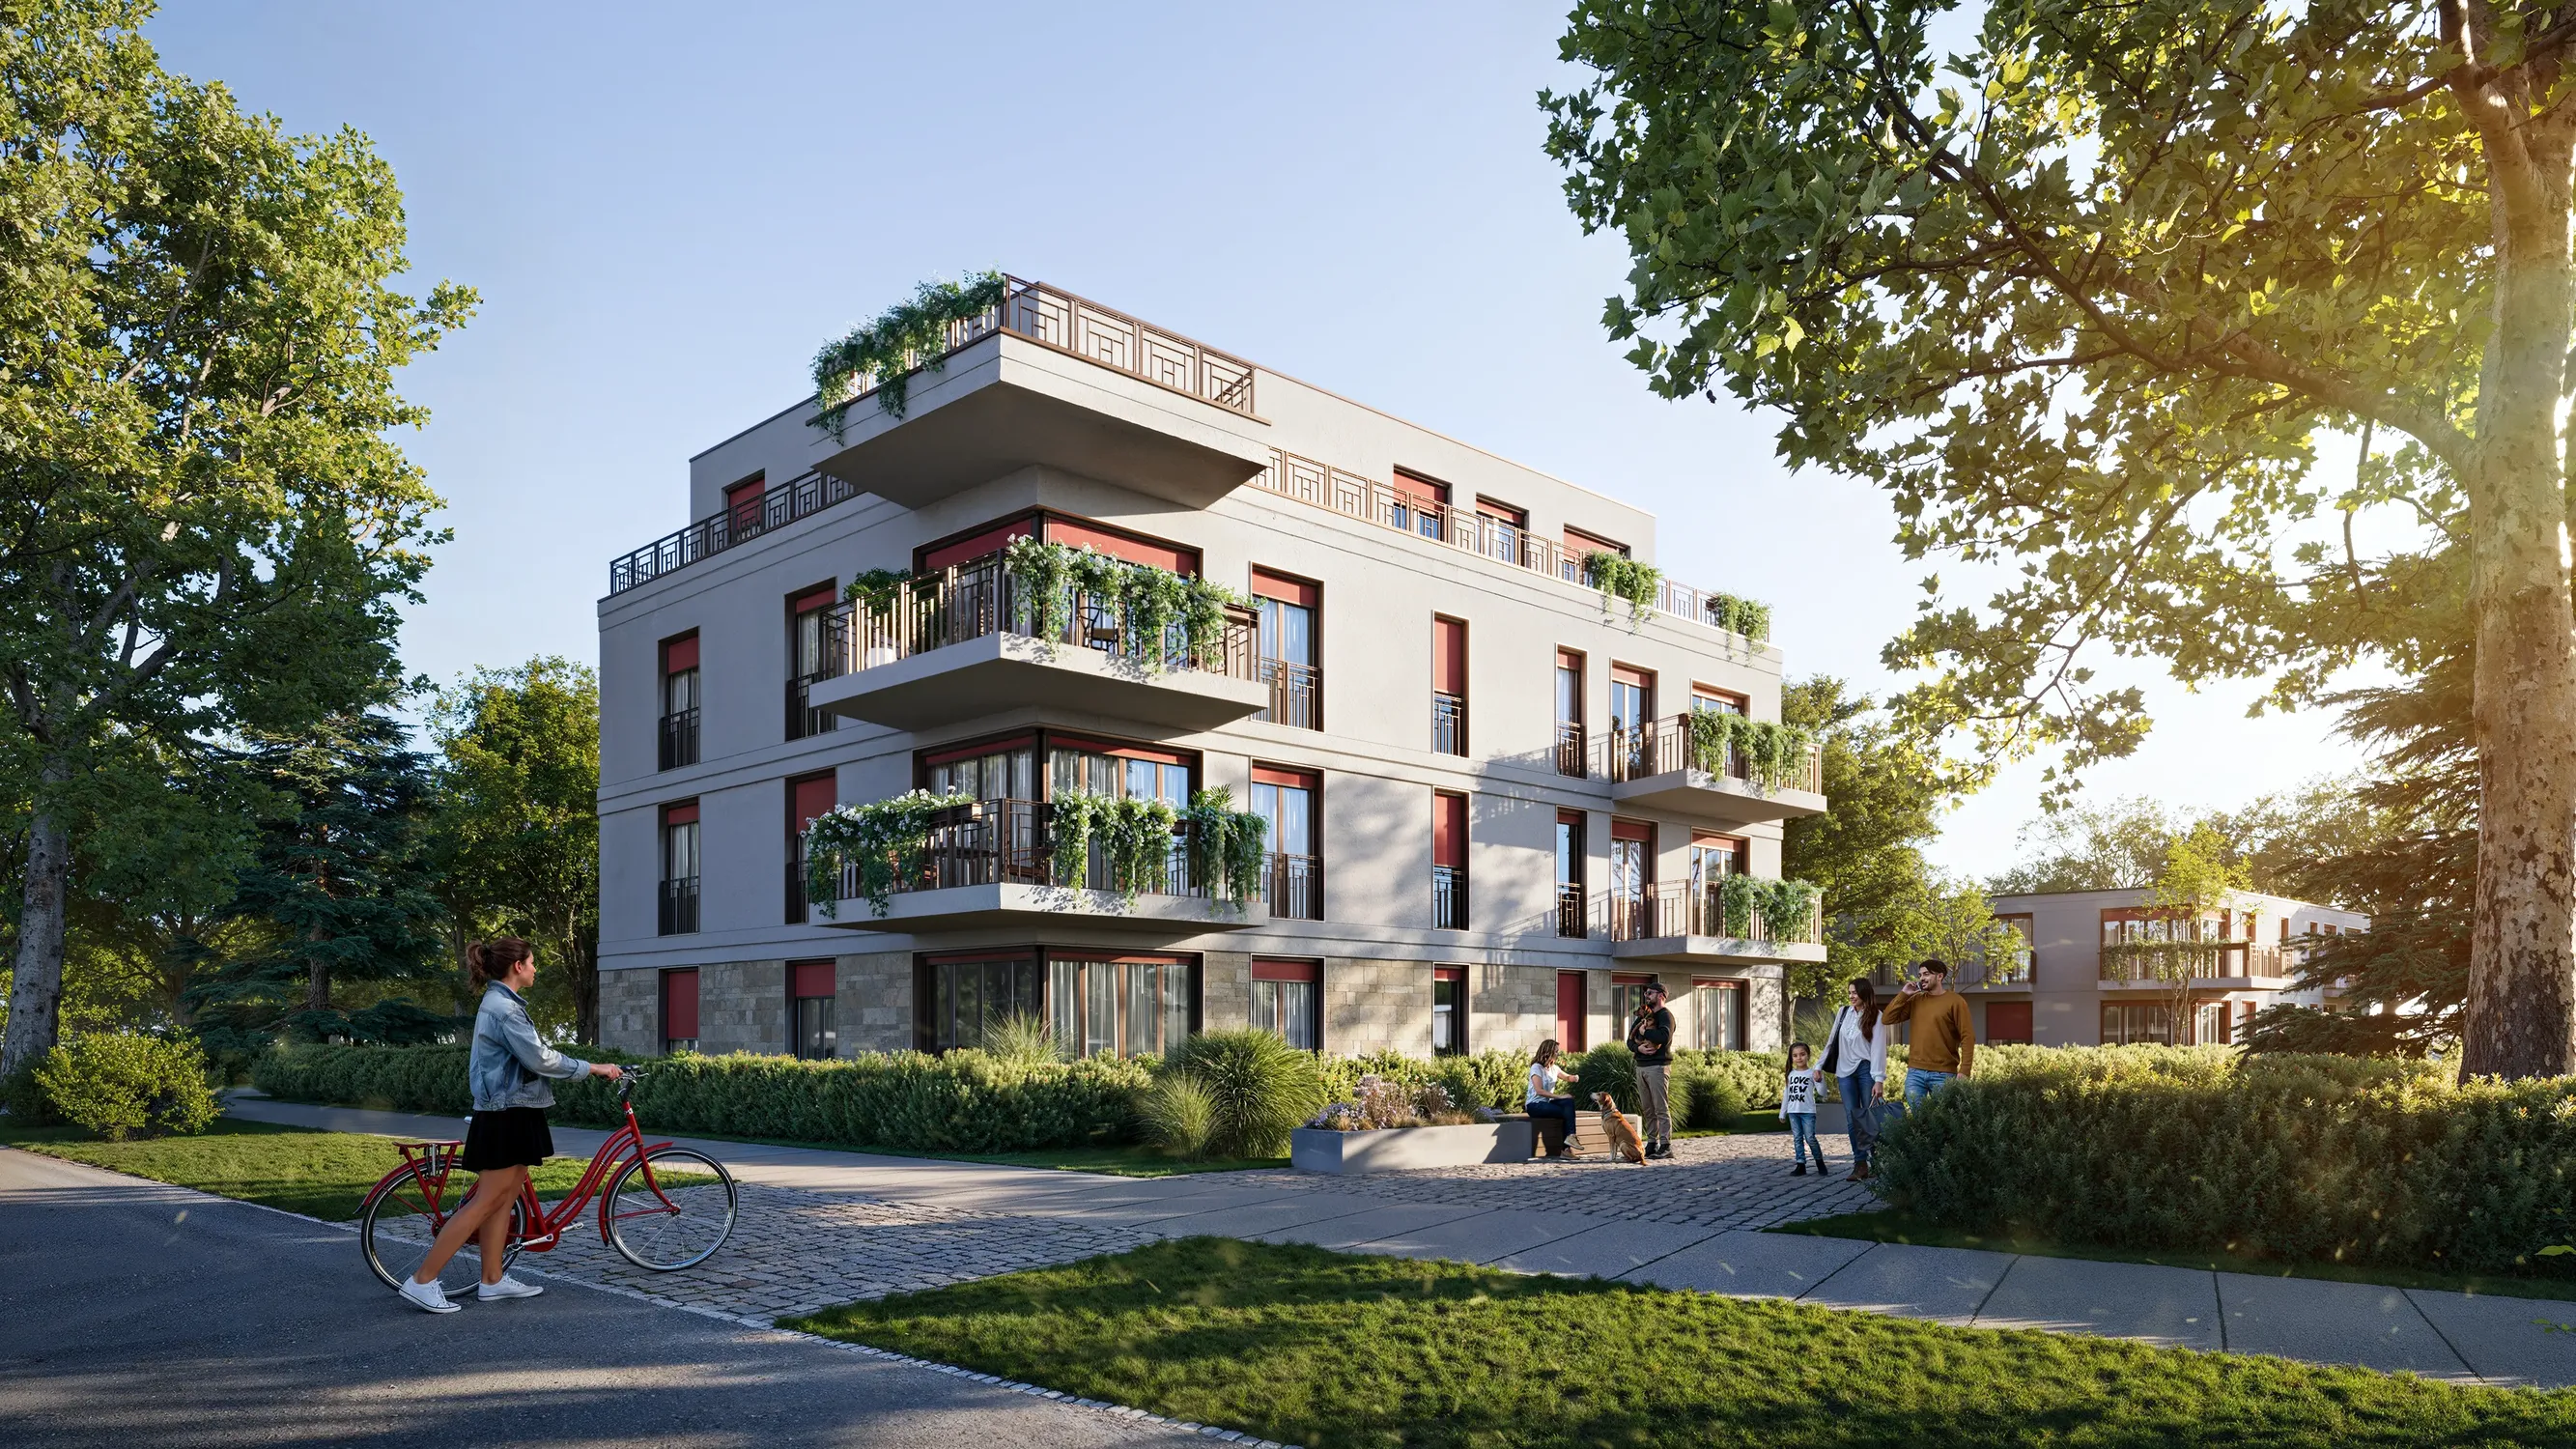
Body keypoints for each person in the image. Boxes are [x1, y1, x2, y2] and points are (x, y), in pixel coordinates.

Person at [399, 937, 623, 1314]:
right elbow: (539, 1058)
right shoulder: (504, 1008)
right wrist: (593, 1067)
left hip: (515, 1109)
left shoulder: (503, 1004)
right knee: (486, 1201)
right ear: (517, 966)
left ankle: (492, 1280)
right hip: (505, 1113)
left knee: (504, 1198)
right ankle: (421, 1280)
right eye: (533, 962)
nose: (536, 968)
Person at [1817, 977, 1890, 1180]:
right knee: (1851, 1119)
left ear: (1864, 993)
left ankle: (1877, 1161)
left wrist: (1879, 1079)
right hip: (1844, 1071)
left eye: (1855, 993)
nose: (1851, 996)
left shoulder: (1876, 1016)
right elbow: (1831, 1042)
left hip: (1866, 1069)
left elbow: (1878, 1050)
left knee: (1869, 1117)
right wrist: (1818, 1065)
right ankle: (1860, 1165)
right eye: (1849, 992)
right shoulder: (1843, 1013)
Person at [1880, 957, 1974, 1110]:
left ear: (1939, 976)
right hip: (1915, 1073)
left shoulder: (1956, 1001)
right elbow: (1887, 1018)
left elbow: (1968, 1037)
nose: (1922, 978)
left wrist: (1965, 1071)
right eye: (1920, 975)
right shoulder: (1916, 999)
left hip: (1943, 1074)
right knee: (1920, 1121)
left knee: (1942, 1121)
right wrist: (1904, 994)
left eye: (1926, 974)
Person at [1625, 978, 1677, 1159]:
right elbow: (1629, 1040)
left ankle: (1666, 1145)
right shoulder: (1643, 1016)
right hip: (1641, 1066)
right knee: (1647, 1108)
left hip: (1658, 1067)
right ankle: (1652, 1143)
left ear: (1661, 996)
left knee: (1660, 1107)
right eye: (1646, 993)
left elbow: (1664, 1036)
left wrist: (1644, 1032)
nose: (1646, 996)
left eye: (1650, 993)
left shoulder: (1665, 1016)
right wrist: (1637, 1048)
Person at [1524, 1038, 1585, 1158]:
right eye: (1556, 1051)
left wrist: (1574, 1077)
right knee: (1566, 1111)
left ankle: (1569, 1141)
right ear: (1548, 1051)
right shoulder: (1536, 1068)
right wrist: (1560, 1096)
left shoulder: (1554, 1068)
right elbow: (1539, 1091)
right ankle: (1567, 1147)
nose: (1558, 1054)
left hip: (1546, 1104)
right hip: (1535, 1105)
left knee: (1568, 1102)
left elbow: (1567, 1077)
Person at [1778, 1041, 1826, 1175]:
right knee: (1797, 1138)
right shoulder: (1790, 1075)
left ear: (1808, 1056)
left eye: (1802, 1054)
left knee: (1810, 1138)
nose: (1799, 1058)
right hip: (1793, 1112)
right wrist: (1782, 1113)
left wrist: (1820, 1080)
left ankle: (1819, 1161)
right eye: (1795, 1055)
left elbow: (1822, 1093)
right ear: (1791, 1058)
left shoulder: (1812, 1073)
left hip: (1808, 1112)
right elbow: (1786, 1094)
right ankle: (1800, 1164)